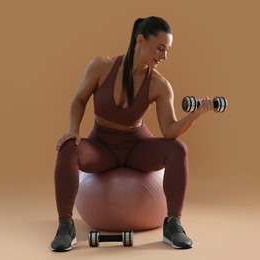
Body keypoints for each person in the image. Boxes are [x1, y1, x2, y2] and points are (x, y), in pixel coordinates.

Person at [50, 16, 214, 252]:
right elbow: (79, 100)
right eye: (160, 48)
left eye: (167, 51)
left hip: (137, 147)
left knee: (178, 148)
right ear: (140, 40)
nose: (164, 56)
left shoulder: (159, 85)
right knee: (67, 148)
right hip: (101, 146)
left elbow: (169, 131)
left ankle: (173, 224)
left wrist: (196, 114)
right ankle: (65, 226)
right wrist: (74, 129)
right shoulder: (101, 66)